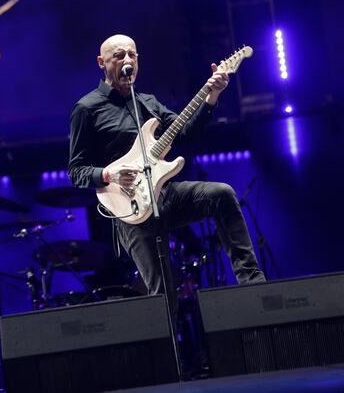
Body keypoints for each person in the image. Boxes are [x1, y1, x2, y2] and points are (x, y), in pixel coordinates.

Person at [68, 34, 265, 294]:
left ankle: (253, 285)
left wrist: (212, 97)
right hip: (129, 210)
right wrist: (108, 173)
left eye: (132, 55)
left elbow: (185, 134)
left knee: (222, 194)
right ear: (101, 63)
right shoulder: (86, 108)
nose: (127, 60)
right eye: (118, 56)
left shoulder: (147, 102)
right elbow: (76, 171)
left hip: (164, 195)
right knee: (163, 291)